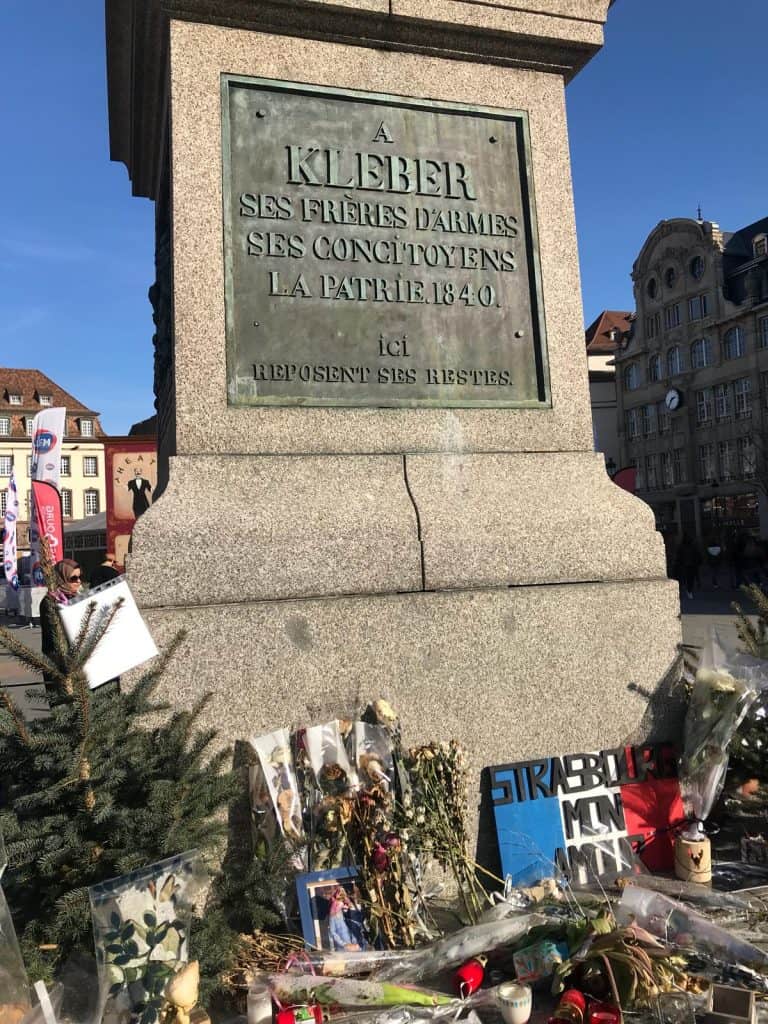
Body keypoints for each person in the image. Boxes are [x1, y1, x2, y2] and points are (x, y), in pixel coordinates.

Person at [40, 560, 82, 690]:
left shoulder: (77, 597)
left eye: (80, 577)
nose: (79, 581)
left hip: (79, 663)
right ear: (61, 578)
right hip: (58, 665)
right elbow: (54, 636)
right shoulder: (50, 601)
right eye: (73, 578)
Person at [672, 534, 701, 600]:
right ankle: (689, 591)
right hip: (690, 565)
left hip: (684, 565)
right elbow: (697, 555)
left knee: (684, 579)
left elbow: (678, 557)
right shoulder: (693, 547)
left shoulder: (681, 547)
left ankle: (685, 591)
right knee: (690, 579)